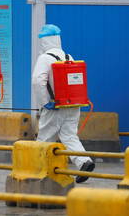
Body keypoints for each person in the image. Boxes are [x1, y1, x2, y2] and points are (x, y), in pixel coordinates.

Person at [32, 24, 94, 183]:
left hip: (55, 107)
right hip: (73, 105)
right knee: (69, 136)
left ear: (44, 41)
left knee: (44, 139)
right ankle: (84, 162)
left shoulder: (45, 58)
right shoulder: (68, 56)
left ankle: (36, 170)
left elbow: (38, 81)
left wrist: (45, 102)